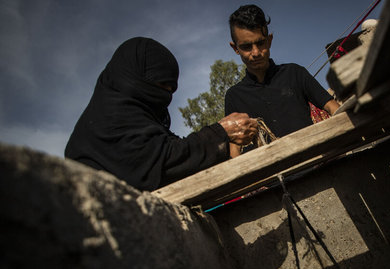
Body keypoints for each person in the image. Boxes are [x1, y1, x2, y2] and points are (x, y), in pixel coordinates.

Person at [65, 37, 258, 191]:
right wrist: (220, 133)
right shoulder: (108, 121)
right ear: (133, 78)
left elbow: (175, 150)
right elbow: (165, 163)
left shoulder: (143, 122)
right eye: (160, 85)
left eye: (170, 89)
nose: (165, 96)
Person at [225, 4, 340, 156]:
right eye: (246, 47)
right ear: (235, 48)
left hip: (316, 166)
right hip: (271, 178)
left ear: (269, 40)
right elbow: (234, 150)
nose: (256, 52)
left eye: (260, 43)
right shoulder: (235, 96)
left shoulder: (295, 73)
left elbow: (334, 108)